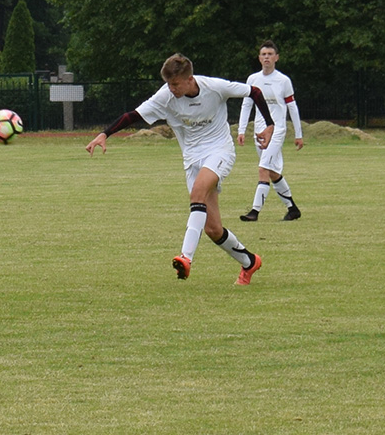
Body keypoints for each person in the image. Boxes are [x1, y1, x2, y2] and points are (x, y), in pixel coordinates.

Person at [86, 53, 275, 285]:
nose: (171, 89)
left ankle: (186, 257)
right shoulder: (165, 96)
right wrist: (105, 134)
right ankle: (249, 262)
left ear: (189, 79)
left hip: (219, 151)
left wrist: (270, 125)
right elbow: (132, 115)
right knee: (213, 229)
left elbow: (254, 91)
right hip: (192, 159)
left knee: (197, 193)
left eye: (175, 84)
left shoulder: (214, 87)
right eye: (168, 83)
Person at [237, 40, 303, 222]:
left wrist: (299, 134)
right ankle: (293, 209)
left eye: (270, 54)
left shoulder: (283, 81)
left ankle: (254, 211)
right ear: (259, 58)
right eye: (263, 54)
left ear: (276, 58)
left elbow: (292, 108)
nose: (266, 57)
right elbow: (246, 105)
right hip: (259, 132)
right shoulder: (253, 79)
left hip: (278, 130)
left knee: (263, 168)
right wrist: (242, 130)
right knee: (272, 172)